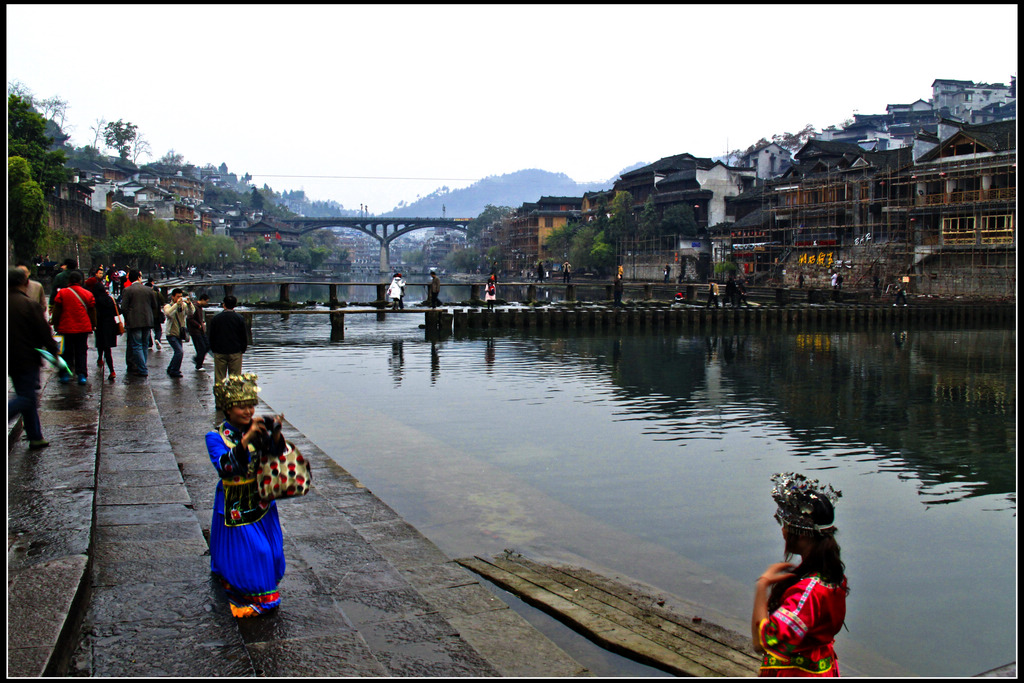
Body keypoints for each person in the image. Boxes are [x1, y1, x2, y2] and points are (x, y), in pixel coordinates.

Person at [752, 472, 848, 677]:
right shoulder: (832, 574)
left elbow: (763, 643)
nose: (783, 531)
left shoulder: (809, 593)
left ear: (798, 533)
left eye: (785, 525)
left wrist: (762, 585)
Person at [207, 373, 287, 618]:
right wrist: (246, 440)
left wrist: (274, 434)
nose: (248, 411)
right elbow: (226, 467)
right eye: (242, 407)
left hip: (261, 498)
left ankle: (250, 580)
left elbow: (276, 455)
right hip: (235, 500)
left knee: (272, 550)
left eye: (251, 405)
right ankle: (258, 597)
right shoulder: (216, 437)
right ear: (228, 409)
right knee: (258, 550)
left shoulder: (257, 428)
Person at [9, 267, 62, 449]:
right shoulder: (28, 304)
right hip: (26, 358)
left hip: (11, 358)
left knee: (26, 394)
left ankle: (35, 436)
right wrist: (54, 353)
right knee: (27, 398)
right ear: (25, 283)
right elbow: (44, 333)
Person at [51, 270, 97, 385]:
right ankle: (81, 374)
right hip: (82, 327)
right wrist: (93, 324)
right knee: (81, 351)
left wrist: (55, 324)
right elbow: (92, 311)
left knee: (66, 351)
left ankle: (65, 374)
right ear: (81, 281)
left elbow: (57, 311)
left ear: (69, 281)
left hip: (65, 327)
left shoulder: (62, 293)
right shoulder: (87, 293)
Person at [120, 268, 161, 377]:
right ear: (139, 277)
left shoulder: (127, 290)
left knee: (137, 345)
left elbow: (123, 308)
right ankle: (142, 366)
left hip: (134, 322)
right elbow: (154, 305)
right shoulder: (148, 290)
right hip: (147, 320)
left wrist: (129, 315)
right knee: (144, 344)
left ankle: (142, 369)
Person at [84, 265, 121, 381]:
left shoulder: (95, 301)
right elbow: (118, 311)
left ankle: (104, 362)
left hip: (100, 325)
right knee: (107, 348)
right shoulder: (110, 299)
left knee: (101, 344)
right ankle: (111, 370)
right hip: (110, 325)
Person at [208, 294, 248, 388]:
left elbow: (211, 335)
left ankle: (220, 397)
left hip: (220, 351)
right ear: (235, 305)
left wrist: (213, 348)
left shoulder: (216, 318)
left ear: (224, 305)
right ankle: (233, 397)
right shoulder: (239, 318)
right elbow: (243, 336)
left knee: (219, 377)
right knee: (235, 378)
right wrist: (243, 348)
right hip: (235, 351)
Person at [163, 288, 196, 378]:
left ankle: (171, 368)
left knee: (178, 352)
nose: (180, 299)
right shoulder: (168, 306)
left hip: (179, 333)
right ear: (173, 297)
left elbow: (191, 313)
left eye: (181, 297)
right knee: (179, 352)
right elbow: (168, 314)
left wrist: (189, 304)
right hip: (171, 333)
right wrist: (176, 305)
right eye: (178, 297)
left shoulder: (183, 305)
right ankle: (174, 370)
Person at [188, 292, 211, 372]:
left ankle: (198, 359)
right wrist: (198, 325)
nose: (206, 303)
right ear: (202, 300)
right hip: (196, 331)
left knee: (207, 345)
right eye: (206, 301)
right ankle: (199, 364)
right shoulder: (194, 307)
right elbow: (189, 318)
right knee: (202, 347)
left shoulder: (199, 307)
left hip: (201, 331)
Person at [147, 279, 166, 351]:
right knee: (158, 329)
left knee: (148, 330)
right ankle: (157, 339)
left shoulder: (145, 294)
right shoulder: (157, 293)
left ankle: (149, 344)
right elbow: (163, 301)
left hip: (147, 315)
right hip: (156, 315)